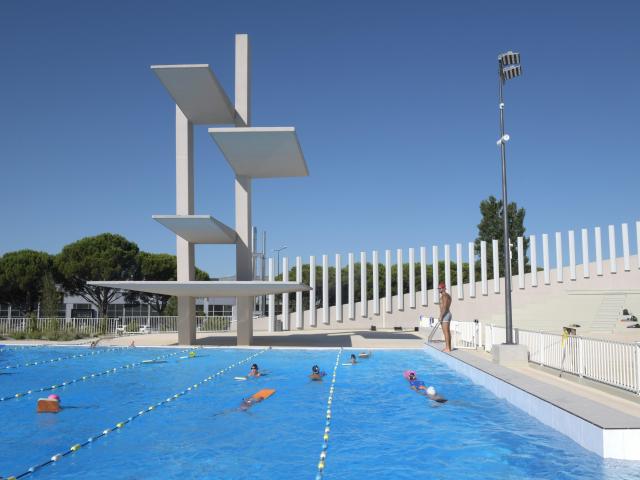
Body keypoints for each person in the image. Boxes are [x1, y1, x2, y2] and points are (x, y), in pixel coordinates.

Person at [438, 281, 453, 352]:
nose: (439, 289)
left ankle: (448, 348)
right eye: (438, 288)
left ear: (444, 288)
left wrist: (441, 316)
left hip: (445, 314)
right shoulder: (447, 296)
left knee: (446, 332)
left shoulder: (445, 296)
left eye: (440, 288)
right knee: (447, 331)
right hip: (446, 314)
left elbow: (445, 307)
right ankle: (448, 347)